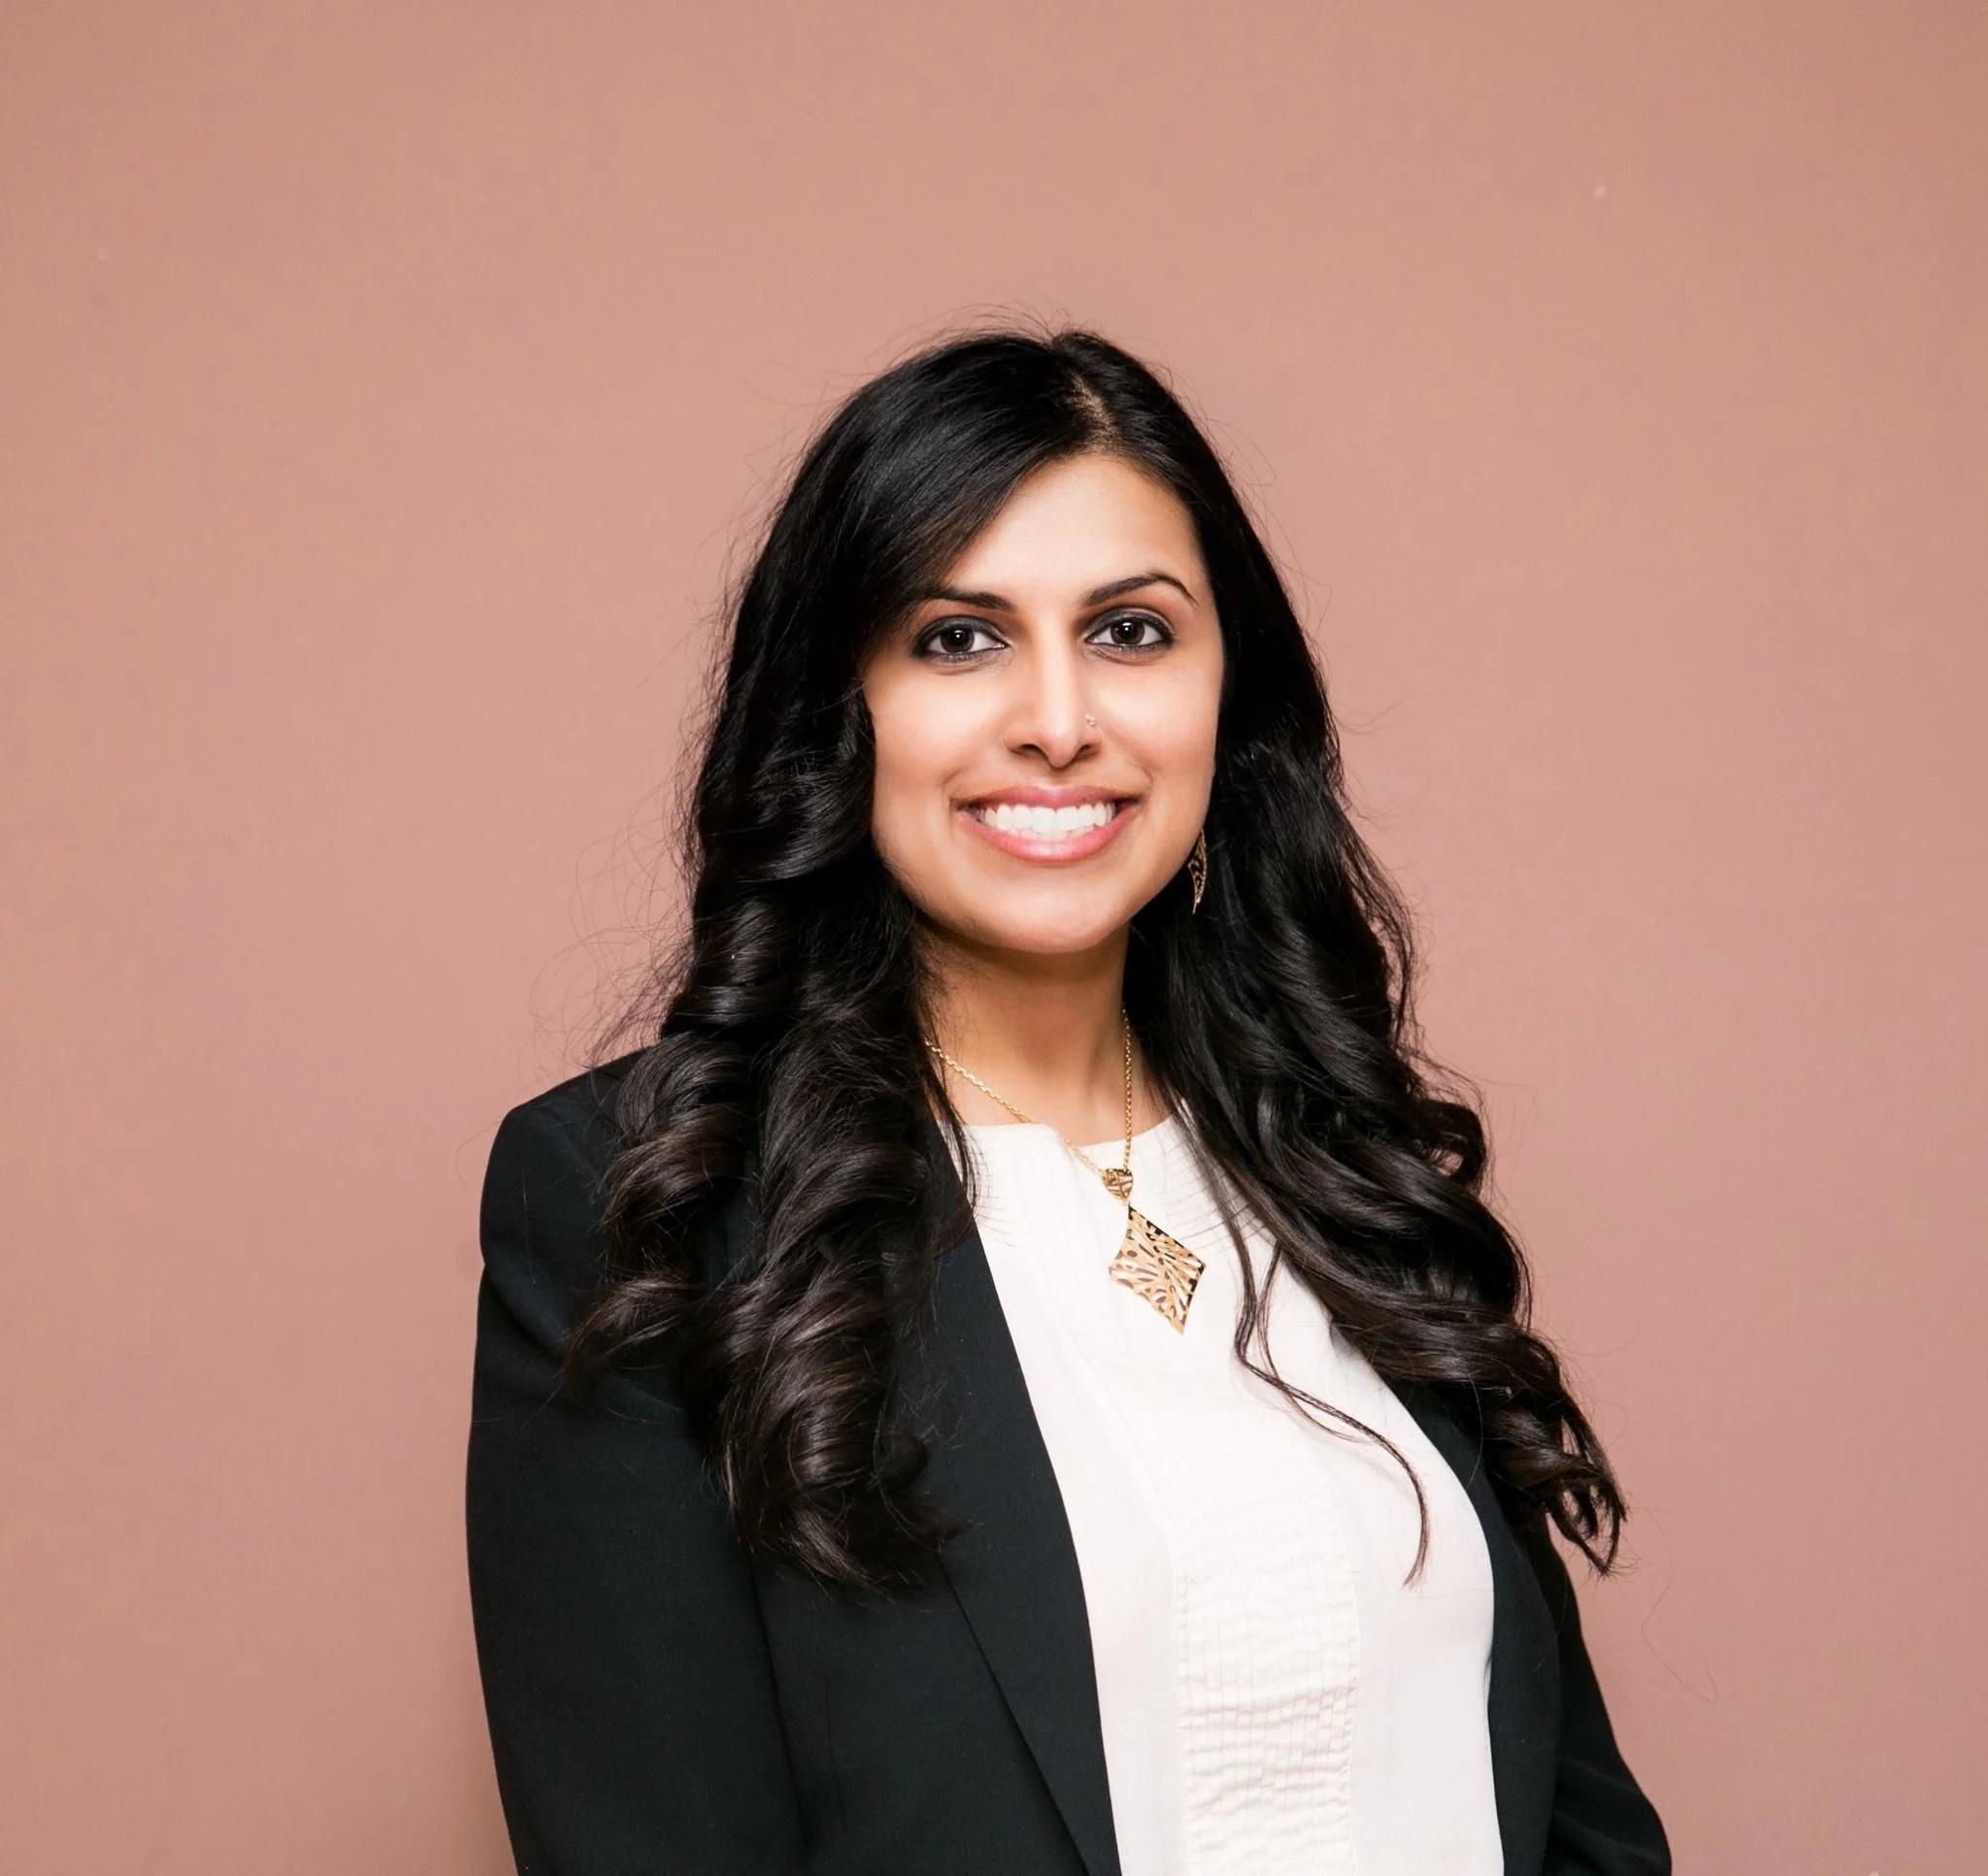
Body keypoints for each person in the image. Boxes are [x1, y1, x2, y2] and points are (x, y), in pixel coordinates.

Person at [464, 323, 1672, 1875]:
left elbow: (1576, 1819)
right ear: (842, 702)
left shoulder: (1345, 1165)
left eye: (1131, 630)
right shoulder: (646, 1206)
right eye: (959, 637)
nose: (1057, 717)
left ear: (1228, 693)